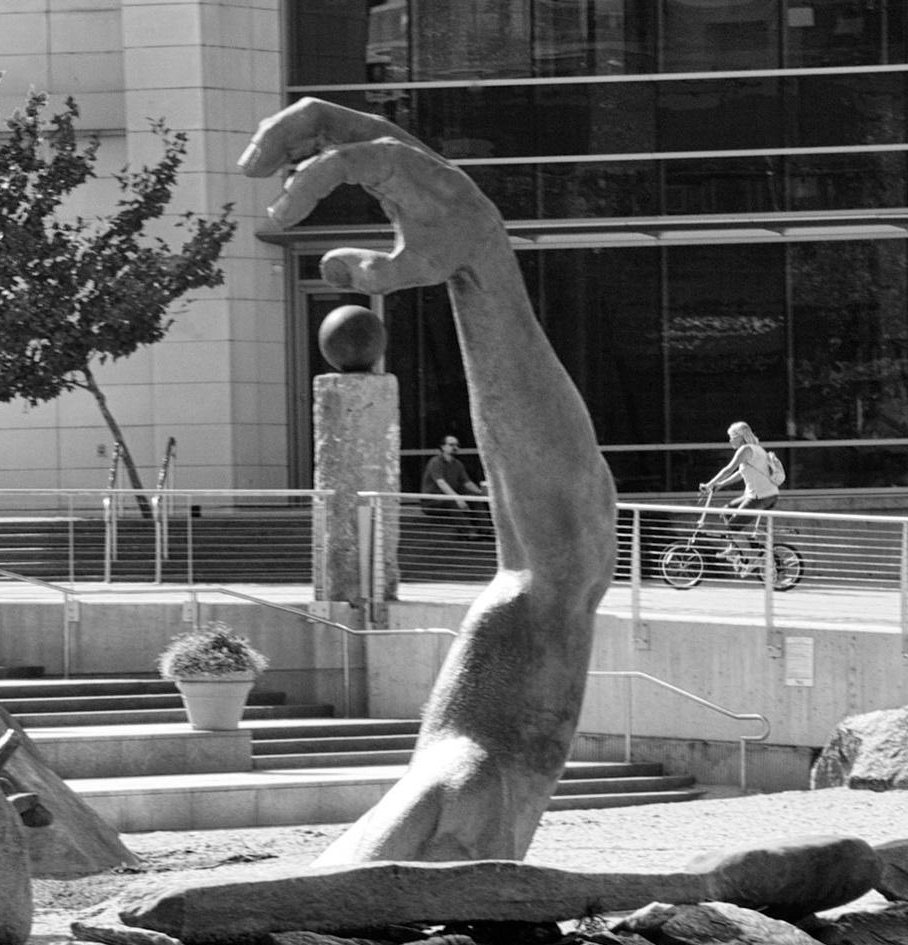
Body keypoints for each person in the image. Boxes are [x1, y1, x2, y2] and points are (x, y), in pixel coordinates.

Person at [241, 98, 617, 865]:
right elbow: (569, 561)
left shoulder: (457, 791)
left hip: (457, 818)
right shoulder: (459, 790)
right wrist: (482, 264)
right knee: (552, 585)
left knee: (550, 585)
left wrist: (480, 256)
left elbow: (566, 564)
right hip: (462, 811)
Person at [698, 420, 781, 568]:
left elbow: (728, 469)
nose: (730, 440)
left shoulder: (746, 450)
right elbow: (739, 474)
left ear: (740, 436)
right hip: (764, 494)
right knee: (726, 511)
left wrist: (708, 484)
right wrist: (721, 485)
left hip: (760, 496)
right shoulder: (756, 449)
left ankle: (751, 558)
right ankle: (734, 549)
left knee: (732, 527)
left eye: (732, 436)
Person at [419, 434, 489, 539]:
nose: (455, 447)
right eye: (451, 445)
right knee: (451, 501)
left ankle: (487, 529)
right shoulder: (435, 462)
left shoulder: (458, 464)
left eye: (457, 445)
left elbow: (467, 483)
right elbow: (441, 483)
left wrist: (481, 494)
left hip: (449, 498)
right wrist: (457, 498)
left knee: (475, 499)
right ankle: (469, 531)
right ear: (443, 447)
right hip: (432, 502)